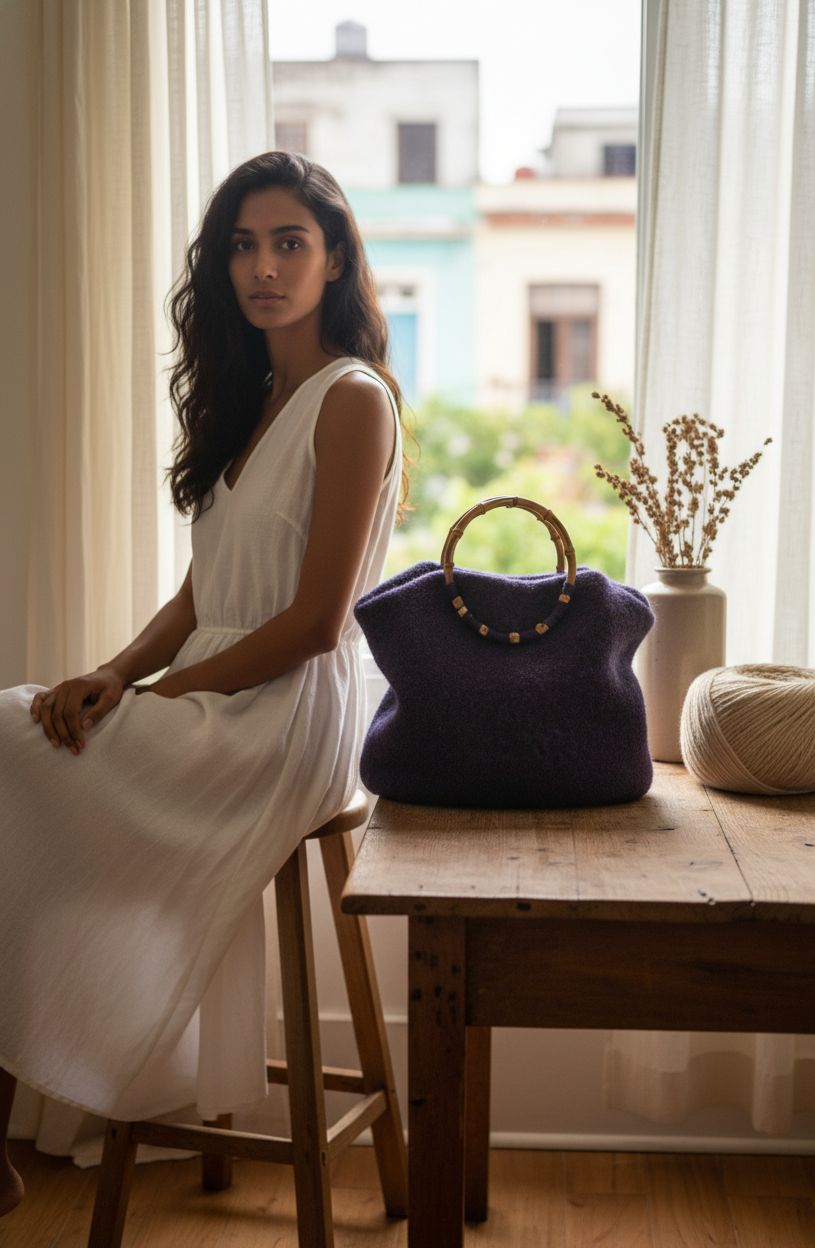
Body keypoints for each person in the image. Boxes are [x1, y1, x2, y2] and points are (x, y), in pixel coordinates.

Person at [0, 150, 405, 1217]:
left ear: (333, 260)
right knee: (22, 755)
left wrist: (160, 702)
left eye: (288, 243)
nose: (262, 267)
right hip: (214, 687)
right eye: (241, 245)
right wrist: (113, 671)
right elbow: (199, 595)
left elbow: (316, 623)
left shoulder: (350, 399)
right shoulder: (252, 397)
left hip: (290, 715)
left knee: (8, 751)